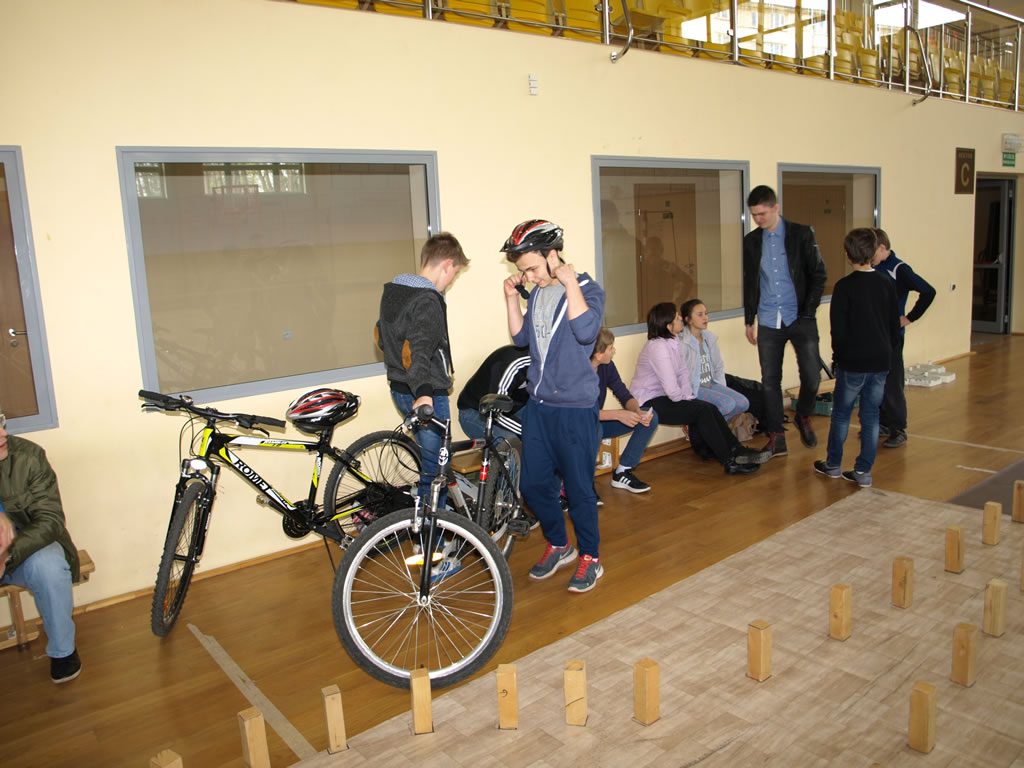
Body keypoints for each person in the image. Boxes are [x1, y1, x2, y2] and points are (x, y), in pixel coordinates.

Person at [502, 219, 606, 593]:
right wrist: (512, 297)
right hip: (540, 407)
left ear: (552, 255)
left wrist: (570, 282)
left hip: (575, 409)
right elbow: (521, 338)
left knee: (578, 490)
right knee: (532, 485)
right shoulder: (538, 295)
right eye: (523, 271)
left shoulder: (589, 290)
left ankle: (591, 557)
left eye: (532, 268)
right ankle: (560, 544)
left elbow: (586, 332)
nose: (528, 277)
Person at [377, 232, 469, 505]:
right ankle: (433, 527)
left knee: (429, 462)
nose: (452, 280)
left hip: (399, 387)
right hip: (425, 393)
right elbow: (418, 350)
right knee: (437, 469)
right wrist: (425, 393)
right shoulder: (427, 299)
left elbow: (382, 337)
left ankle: (426, 514)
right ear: (447, 265)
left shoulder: (395, 291)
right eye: (455, 273)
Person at [630, 303, 770, 475]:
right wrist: (686, 400)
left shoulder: (673, 340)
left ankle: (737, 450)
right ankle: (730, 460)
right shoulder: (657, 347)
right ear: (668, 325)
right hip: (649, 401)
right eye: (677, 318)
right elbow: (671, 388)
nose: (680, 319)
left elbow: (683, 372)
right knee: (701, 410)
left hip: (665, 395)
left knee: (708, 408)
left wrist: (688, 396)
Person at [743, 185, 828, 457]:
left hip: (800, 316)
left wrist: (808, 311)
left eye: (763, 213)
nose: (758, 219)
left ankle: (803, 414)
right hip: (769, 317)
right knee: (770, 380)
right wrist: (749, 319)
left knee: (812, 376)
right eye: (754, 215)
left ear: (776, 208)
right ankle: (776, 436)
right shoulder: (751, 241)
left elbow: (819, 274)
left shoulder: (801, 234)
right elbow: (750, 281)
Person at [813, 228, 900, 488]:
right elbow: (893, 327)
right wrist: (888, 352)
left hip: (853, 362)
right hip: (880, 361)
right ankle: (863, 472)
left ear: (847, 254)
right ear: (874, 252)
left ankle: (833, 464)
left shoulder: (844, 287)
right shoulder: (886, 283)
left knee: (841, 414)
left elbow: (838, 331)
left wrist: (838, 358)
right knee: (871, 416)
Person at [0, 410, 82, 683]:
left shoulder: (28, 456)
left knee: (49, 565)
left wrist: (8, 554)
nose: (3, 433)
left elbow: (50, 520)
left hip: (22, 551)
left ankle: (63, 651)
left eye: (0, 422)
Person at [871, 228, 936, 448]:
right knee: (876, 380)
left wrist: (908, 318)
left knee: (892, 382)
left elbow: (928, 291)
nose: (868, 255)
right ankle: (883, 423)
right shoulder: (871, 267)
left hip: (892, 336)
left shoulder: (899, 269)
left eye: (872, 250)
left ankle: (898, 428)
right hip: (874, 334)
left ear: (882, 247)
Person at [591, 327, 657, 495]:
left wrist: (637, 411)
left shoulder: (607, 366)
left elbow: (623, 394)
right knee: (594, 428)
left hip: (599, 422)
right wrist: (618, 415)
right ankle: (584, 483)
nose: (614, 350)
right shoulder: (578, 372)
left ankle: (622, 472)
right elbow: (582, 413)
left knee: (651, 417)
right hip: (579, 426)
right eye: (610, 347)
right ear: (598, 354)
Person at [679, 298, 750, 423]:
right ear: (688, 319)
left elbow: (718, 366)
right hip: (694, 388)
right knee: (728, 404)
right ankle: (700, 425)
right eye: (700, 314)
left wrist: (722, 388)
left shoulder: (709, 338)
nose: (705, 318)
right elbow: (679, 372)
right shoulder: (682, 342)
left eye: (706, 314)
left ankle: (712, 427)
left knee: (743, 403)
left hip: (711, 384)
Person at [456, 345, 530, 441]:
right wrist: (529, 431)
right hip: (476, 411)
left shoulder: (547, 365)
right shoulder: (514, 364)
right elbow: (495, 413)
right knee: (512, 443)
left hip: (513, 407)